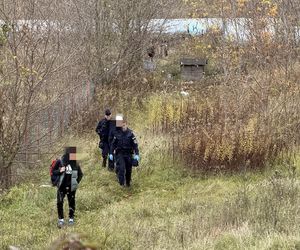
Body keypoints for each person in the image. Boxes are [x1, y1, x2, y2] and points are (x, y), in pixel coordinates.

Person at [53, 146, 83, 228]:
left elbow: (80, 174)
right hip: (61, 186)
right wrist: (60, 170)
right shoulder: (60, 161)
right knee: (59, 202)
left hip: (71, 187)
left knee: (72, 202)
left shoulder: (76, 163)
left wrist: (76, 182)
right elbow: (53, 172)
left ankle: (71, 219)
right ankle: (61, 220)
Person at [109, 118, 139, 187]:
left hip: (128, 154)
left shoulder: (131, 134)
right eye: (122, 126)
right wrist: (111, 153)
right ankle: (121, 184)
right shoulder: (117, 134)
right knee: (121, 169)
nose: (123, 127)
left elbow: (135, 145)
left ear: (126, 125)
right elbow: (113, 144)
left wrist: (137, 155)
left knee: (128, 170)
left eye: (124, 125)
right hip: (120, 154)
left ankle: (128, 183)